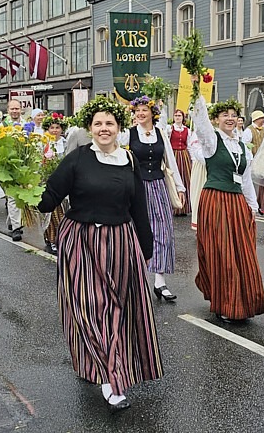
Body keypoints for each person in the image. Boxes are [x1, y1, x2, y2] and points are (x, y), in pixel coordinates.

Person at [37, 96, 162, 411]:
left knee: (116, 312)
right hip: (81, 242)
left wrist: (146, 248)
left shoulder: (129, 160)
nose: (104, 129)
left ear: (119, 127)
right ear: (89, 128)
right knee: (92, 308)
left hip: (120, 243)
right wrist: (26, 188)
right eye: (98, 124)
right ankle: (111, 380)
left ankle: (103, 366)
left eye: (110, 123)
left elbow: (139, 208)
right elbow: (51, 195)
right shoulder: (78, 158)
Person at [190, 87, 264, 322]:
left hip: (236, 202)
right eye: (225, 114)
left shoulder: (242, 147)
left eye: (234, 114)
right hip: (215, 200)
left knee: (243, 254)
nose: (230, 118)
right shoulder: (212, 142)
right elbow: (201, 120)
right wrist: (196, 90)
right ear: (216, 119)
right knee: (222, 253)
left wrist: (252, 207)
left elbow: (245, 181)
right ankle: (226, 303)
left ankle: (243, 302)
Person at [125, 96, 185, 302]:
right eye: (137, 110)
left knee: (163, 231)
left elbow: (170, 161)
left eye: (144, 110)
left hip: (158, 185)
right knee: (136, 230)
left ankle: (160, 281)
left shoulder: (160, 134)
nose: (140, 114)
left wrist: (179, 187)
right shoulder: (129, 134)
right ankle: (135, 278)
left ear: (153, 113)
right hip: (136, 188)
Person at [42, 113, 67, 254]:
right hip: (48, 181)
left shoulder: (65, 143)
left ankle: (59, 238)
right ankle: (52, 239)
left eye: (58, 127)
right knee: (52, 214)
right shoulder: (44, 143)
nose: (55, 130)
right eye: (52, 127)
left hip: (63, 182)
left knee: (63, 213)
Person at [1, 99, 27, 240]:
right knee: (12, 196)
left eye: (17, 108)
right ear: (8, 110)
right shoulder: (3, 126)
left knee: (21, 196)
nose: (15, 111)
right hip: (9, 165)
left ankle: (12, 221)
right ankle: (17, 228)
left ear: (21, 109)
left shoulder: (26, 124)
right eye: (12, 109)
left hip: (24, 164)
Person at [167, 109, 193, 216]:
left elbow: (189, 145)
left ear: (183, 117)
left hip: (184, 155)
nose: (178, 117)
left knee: (186, 179)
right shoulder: (170, 129)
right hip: (174, 155)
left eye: (180, 116)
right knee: (173, 180)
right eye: (176, 115)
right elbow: (167, 143)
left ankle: (184, 207)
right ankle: (174, 207)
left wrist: (192, 159)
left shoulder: (187, 130)